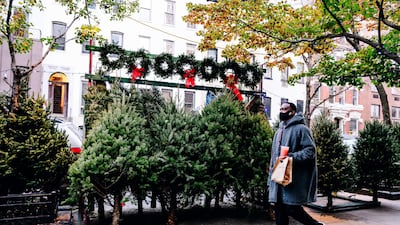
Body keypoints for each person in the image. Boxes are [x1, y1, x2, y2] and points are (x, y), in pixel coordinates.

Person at [267, 102, 324, 225]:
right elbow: (274, 155)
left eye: (285, 109)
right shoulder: (279, 131)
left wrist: (291, 156)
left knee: (292, 207)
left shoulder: (302, 129)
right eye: (281, 108)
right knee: (280, 211)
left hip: (294, 178)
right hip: (278, 177)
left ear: (292, 112)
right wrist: (271, 169)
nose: (282, 111)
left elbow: (310, 151)